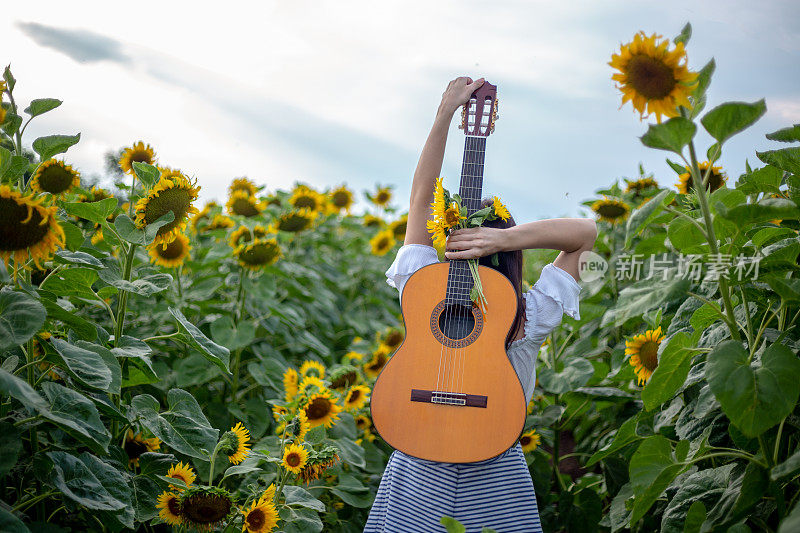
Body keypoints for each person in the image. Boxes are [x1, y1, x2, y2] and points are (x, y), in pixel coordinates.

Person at [363, 77, 598, 533]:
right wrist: (509, 237)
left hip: (418, 463)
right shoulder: (529, 316)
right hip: (496, 473)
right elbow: (585, 237)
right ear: (514, 258)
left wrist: (445, 114)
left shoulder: (421, 288)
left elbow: (420, 197)